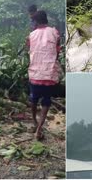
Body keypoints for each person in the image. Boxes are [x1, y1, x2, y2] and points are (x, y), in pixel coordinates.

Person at [26, 10, 61, 140]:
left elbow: (29, 50)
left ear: (36, 22)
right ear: (46, 20)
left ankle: (34, 122)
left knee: (33, 99)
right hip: (49, 74)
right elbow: (57, 52)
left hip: (35, 73)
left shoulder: (31, 35)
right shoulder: (55, 32)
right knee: (46, 101)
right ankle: (40, 128)